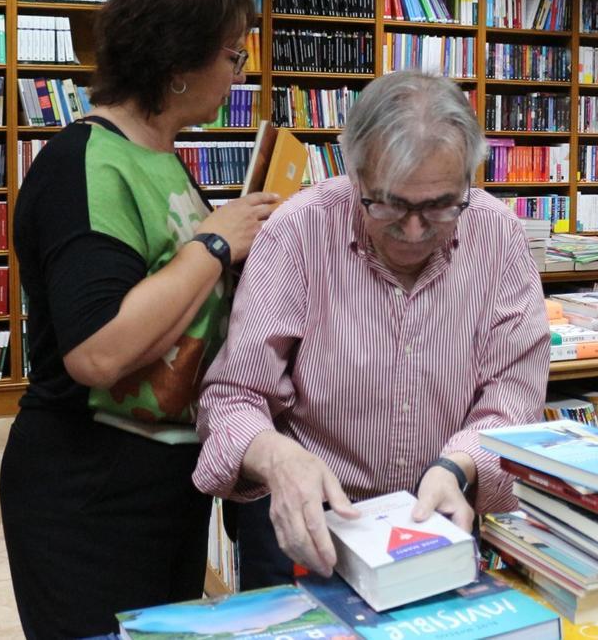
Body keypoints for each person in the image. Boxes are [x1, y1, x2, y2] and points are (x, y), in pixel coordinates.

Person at [0, 0, 279, 636]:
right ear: (177, 60)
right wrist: (213, 245)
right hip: (90, 490)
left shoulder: (159, 156)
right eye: (232, 54)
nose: (239, 74)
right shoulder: (83, 164)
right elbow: (98, 351)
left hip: (163, 481)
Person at [192, 70, 551, 588]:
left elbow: (513, 397)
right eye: (390, 203)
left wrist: (458, 466)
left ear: (469, 178)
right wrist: (276, 457)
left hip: (440, 517)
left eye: (439, 206)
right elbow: (232, 396)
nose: (412, 230)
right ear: (355, 173)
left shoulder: (498, 237)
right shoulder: (297, 231)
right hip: (311, 524)